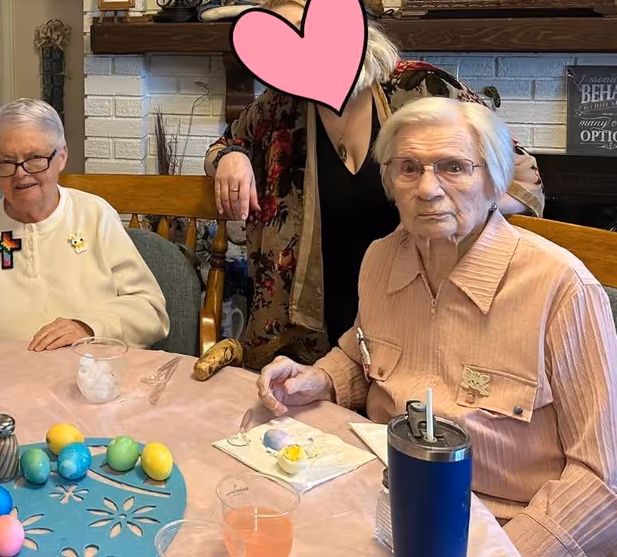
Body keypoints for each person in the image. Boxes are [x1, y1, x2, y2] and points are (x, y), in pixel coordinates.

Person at [257, 98, 617, 557]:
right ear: (389, 182)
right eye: (408, 168)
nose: (427, 189)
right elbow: (362, 353)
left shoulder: (562, 289)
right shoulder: (380, 259)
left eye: (454, 167)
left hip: (507, 525)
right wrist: (321, 378)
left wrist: (503, 551)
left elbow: (602, 479)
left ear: (495, 180)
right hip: (379, 503)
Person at [206, 0, 543, 369]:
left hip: (416, 309)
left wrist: (466, 212)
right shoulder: (280, 107)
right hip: (312, 321)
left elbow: (518, 168)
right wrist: (230, 157)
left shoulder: (419, 87)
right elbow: (226, 143)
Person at [0, 99, 169, 351]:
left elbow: (150, 310)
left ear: (62, 156)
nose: (20, 173)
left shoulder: (95, 216)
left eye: (34, 158)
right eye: (5, 161)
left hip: (84, 378)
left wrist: (89, 327)